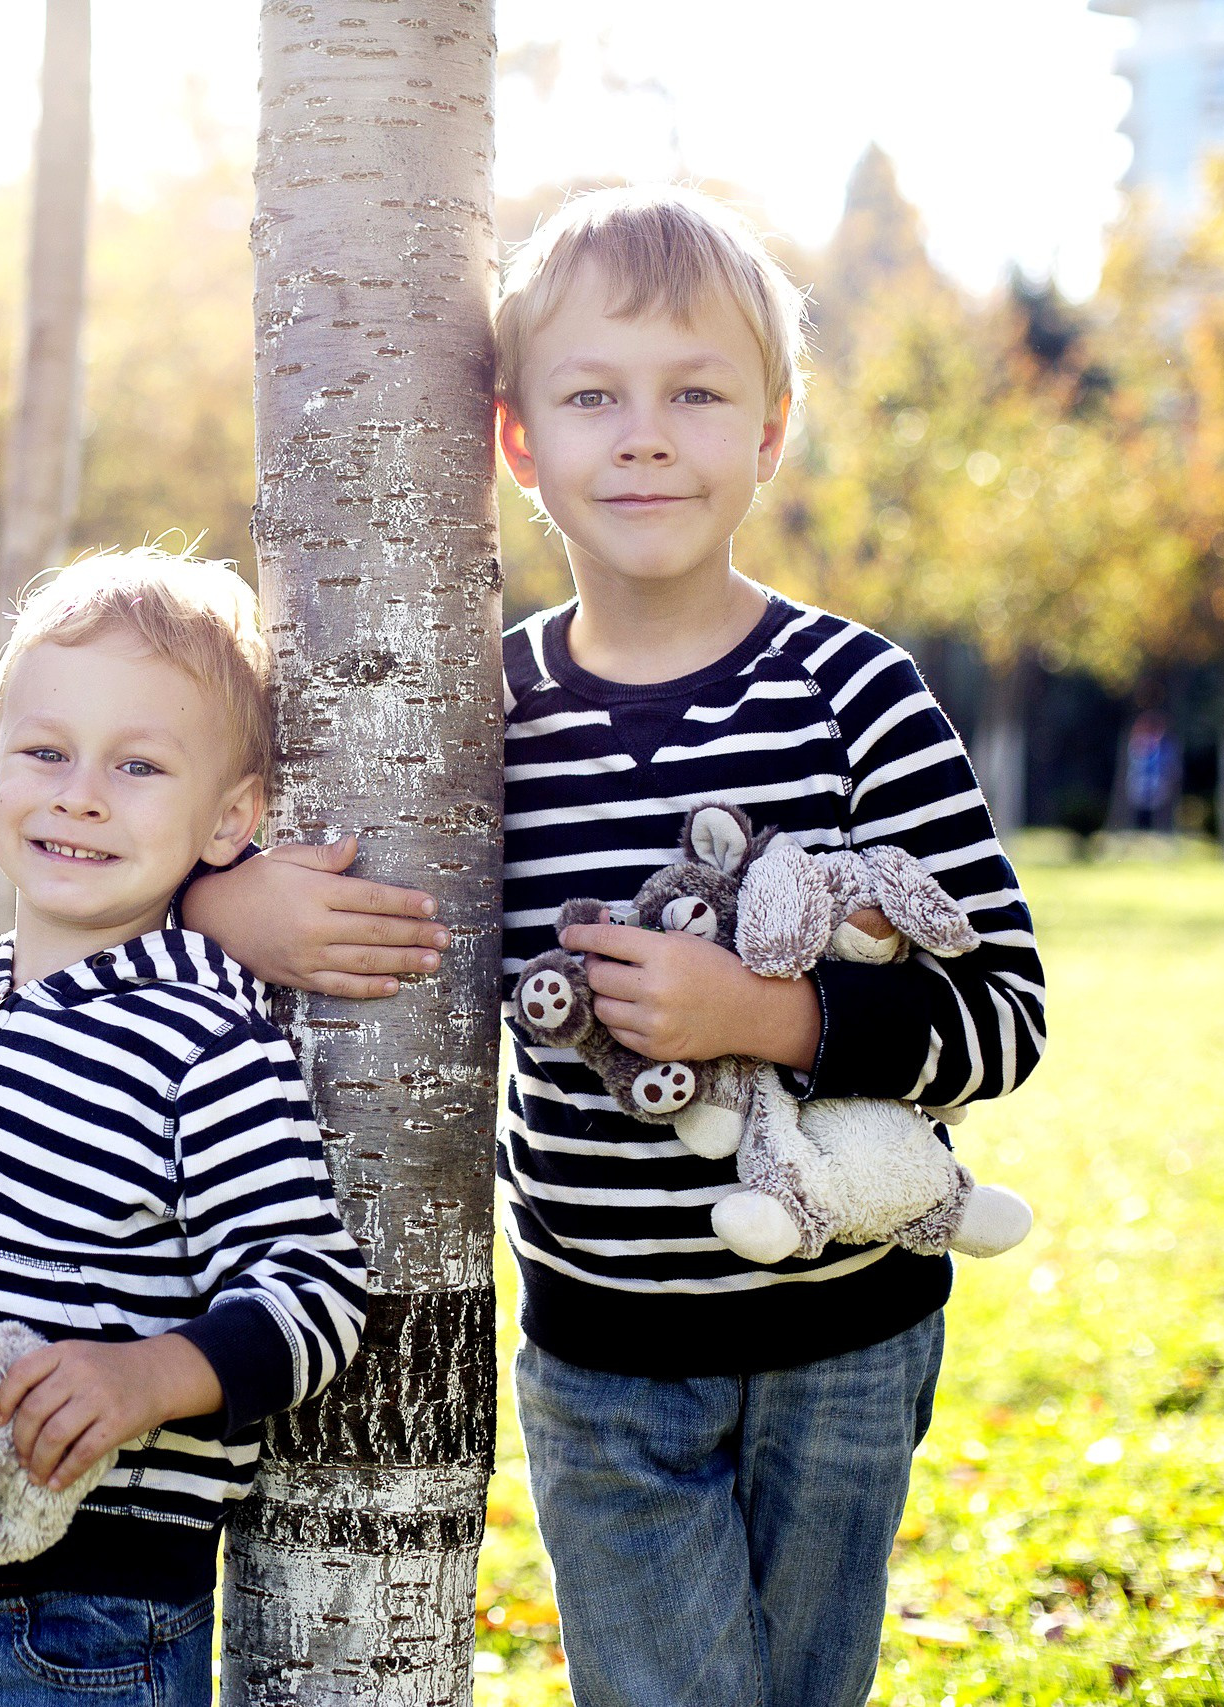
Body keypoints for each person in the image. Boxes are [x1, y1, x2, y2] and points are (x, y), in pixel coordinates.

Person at [186, 186, 1048, 1706]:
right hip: (601, 1357)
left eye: (697, 394)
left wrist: (775, 1015)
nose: (645, 435)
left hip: (848, 1332)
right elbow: (287, 867)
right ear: (521, 442)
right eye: (595, 395)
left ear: (771, 429)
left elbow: (1007, 1012)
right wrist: (225, 900)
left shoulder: (856, 692)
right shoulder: (473, 715)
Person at [0, 549, 369, 1707]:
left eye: (138, 765)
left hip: (93, 1622)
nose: (79, 793)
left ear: (230, 816)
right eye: (46, 752)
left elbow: (316, 1292)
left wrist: (147, 1378)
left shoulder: (200, 1039)